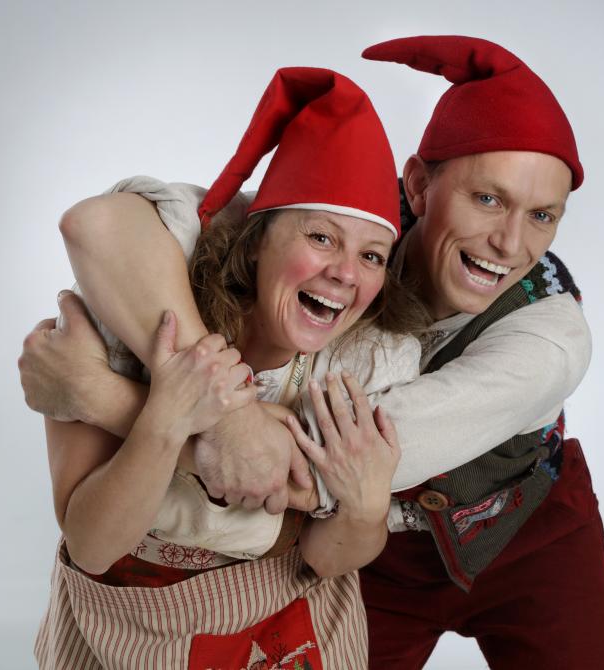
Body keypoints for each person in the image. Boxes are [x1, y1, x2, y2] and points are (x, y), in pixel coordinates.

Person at [20, 36, 604, 668]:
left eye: (543, 216)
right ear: (418, 185)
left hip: (521, 540)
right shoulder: (349, 210)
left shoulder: (549, 339)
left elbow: (287, 464)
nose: (509, 243)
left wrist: (98, 394)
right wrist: (216, 401)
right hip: (363, 556)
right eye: (488, 199)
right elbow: (117, 225)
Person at [30, 67, 425, 670]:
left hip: (291, 616)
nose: (347, 273)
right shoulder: (127, 321)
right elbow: (91, 546)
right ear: (257, 239)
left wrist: (366, 511)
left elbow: (328, 557)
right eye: (322, 238)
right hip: (124, 622)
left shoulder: (367, 364)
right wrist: (172, 417)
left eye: (372, 255)